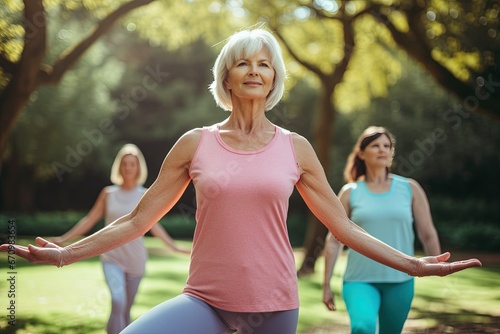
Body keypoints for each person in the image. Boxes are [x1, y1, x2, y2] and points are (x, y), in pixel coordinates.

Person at [1, 28, 481, 334]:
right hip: (205, 299)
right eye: (243, 62)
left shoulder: (296, 148)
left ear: (273, 80)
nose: (255, 70)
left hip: (273, 305)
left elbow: (345, 228)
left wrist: (412, 266)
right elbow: (136, 221)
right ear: (226, 77)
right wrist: (64, 253)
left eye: (265, 63)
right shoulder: (195, 143)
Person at [50, 143, 190, 334]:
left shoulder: (145, 195)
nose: (128, 168)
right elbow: (90, 219)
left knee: (126, 309)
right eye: (125, 164)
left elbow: (154, 226)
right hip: (111, 257)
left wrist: (175, 247)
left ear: (138, 167)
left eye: (132, 164)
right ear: (119, 167)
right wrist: (63, 239)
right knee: (118, 300)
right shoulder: (108, 193)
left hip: (136, 259)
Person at [322, 126, 443, 334]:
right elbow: (334, 239)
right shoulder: (350, 192)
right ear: (361, 153)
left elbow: (427, 233)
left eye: (387, 146)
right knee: (363, 327)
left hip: (400, 280)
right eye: (375, 145)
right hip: (359, 279)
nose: (382, 150)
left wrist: (439, 265)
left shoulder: (410, 188)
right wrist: (326, 284)